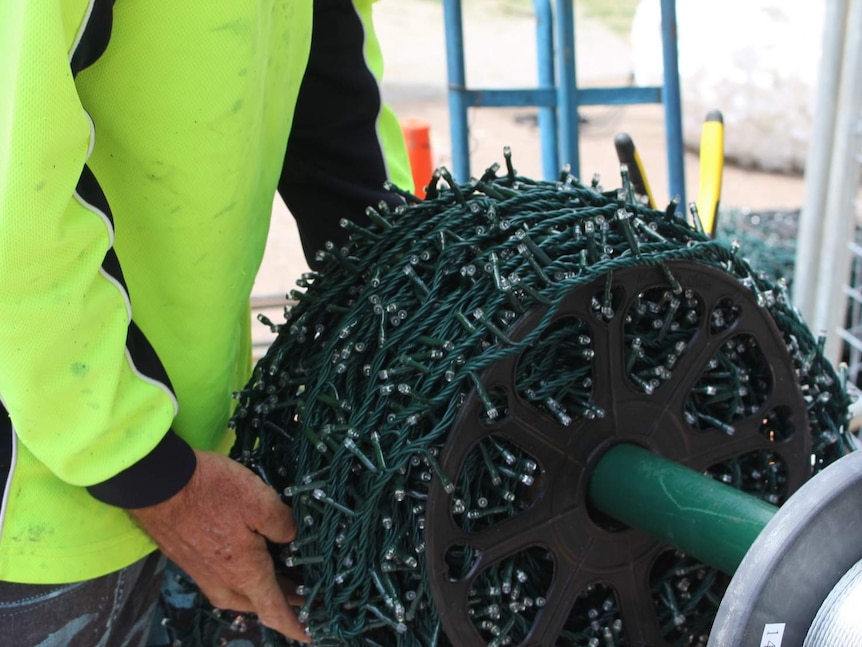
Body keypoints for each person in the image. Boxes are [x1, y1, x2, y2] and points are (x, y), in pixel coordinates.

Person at [0, 0, 413, 644]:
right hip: (42, 496)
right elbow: (12, 191)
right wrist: (143, 466)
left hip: (188, 456)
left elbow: (335, 99)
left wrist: (416, 305)